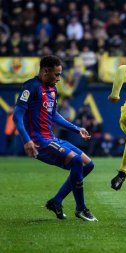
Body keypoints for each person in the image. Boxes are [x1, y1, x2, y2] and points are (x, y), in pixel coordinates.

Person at [13, 55, 97, 221]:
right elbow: (17, 116)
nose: (59, 78)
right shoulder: (31, 87)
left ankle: (56, 201)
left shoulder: (53, 89)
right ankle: (81, 208)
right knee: (76, 162)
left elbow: (54, 115)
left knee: (88, 165)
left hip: (51, 138)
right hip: (39, 141)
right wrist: (26, 140)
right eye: (57, 74)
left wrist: (76, 129)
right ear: (45, 71)